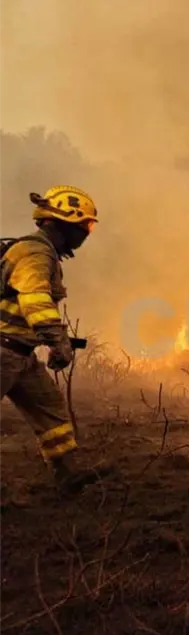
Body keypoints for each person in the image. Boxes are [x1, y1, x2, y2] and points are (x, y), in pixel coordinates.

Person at [0, 186, 101, 497]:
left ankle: (67, 474)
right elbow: (35, 301)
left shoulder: (41, 253)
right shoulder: (34, 253)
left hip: (20, 354)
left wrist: (51, 341)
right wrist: (57, 342)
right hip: (3, 351)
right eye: (84, 226)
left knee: (52, 412)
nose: (86, 233)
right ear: (63, 223)